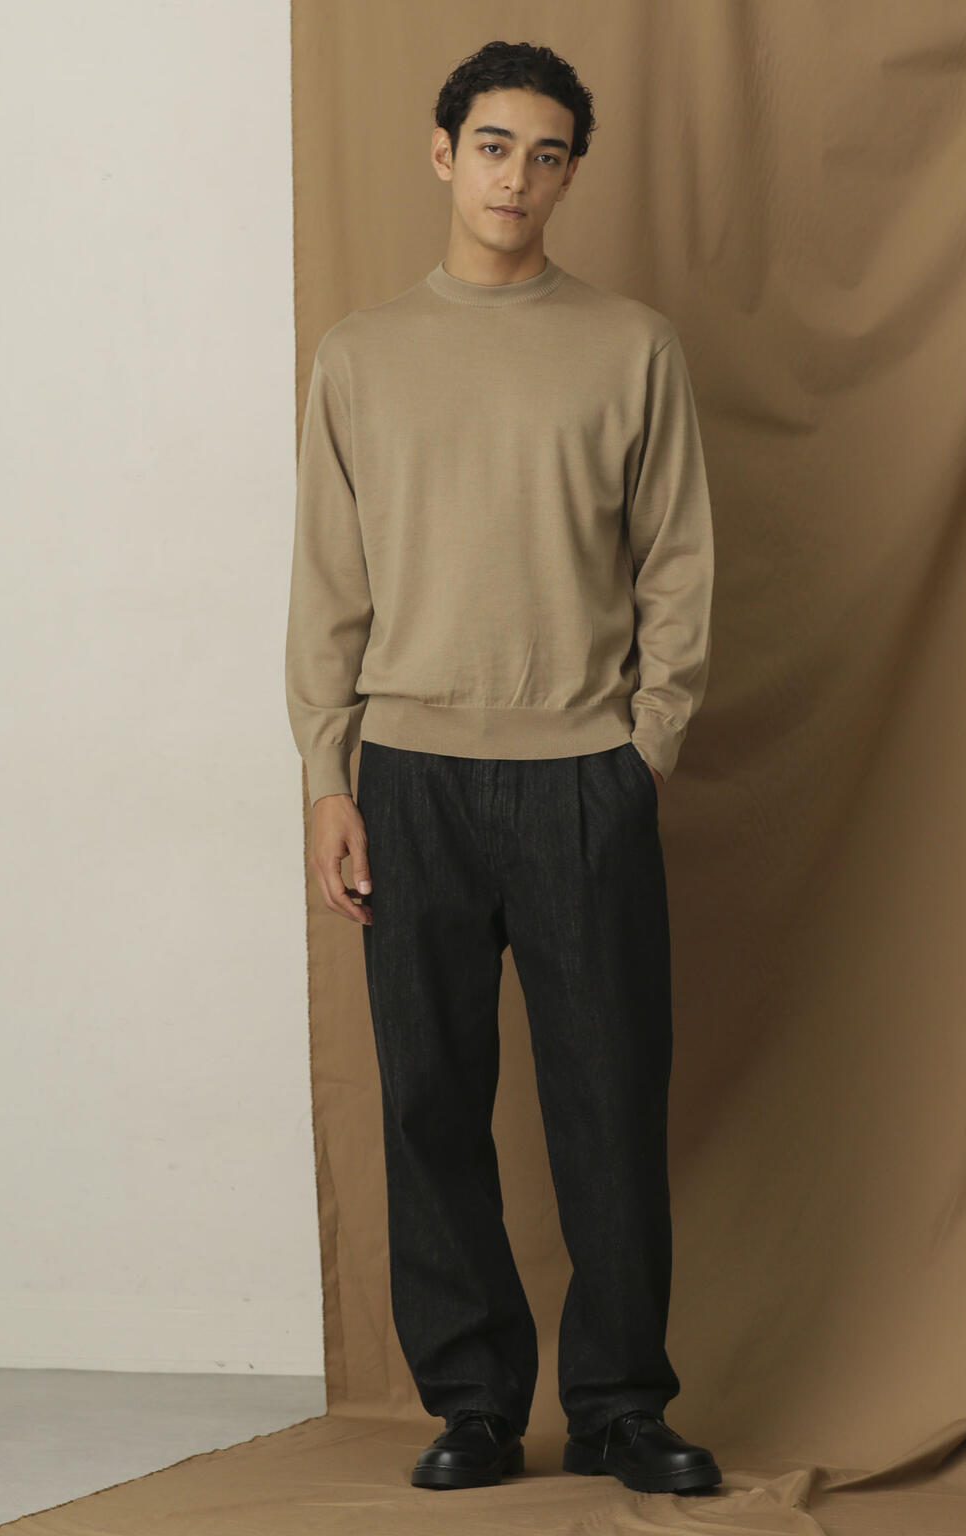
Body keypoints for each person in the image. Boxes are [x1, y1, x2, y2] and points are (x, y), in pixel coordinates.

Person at [285, 39, 720, 1496]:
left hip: (583, 768)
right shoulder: (360, 357)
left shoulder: (631, 346)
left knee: (612, 1098)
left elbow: (677, 561)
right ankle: (474, 1403)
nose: (515, 177)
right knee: (429, 1102)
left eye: (545, 154)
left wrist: (646, 747)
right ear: (442, 153)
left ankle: (620, 1405)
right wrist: (328, 776)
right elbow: (328, 586)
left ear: (571, 174)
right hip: (410, 772)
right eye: (491, 146)